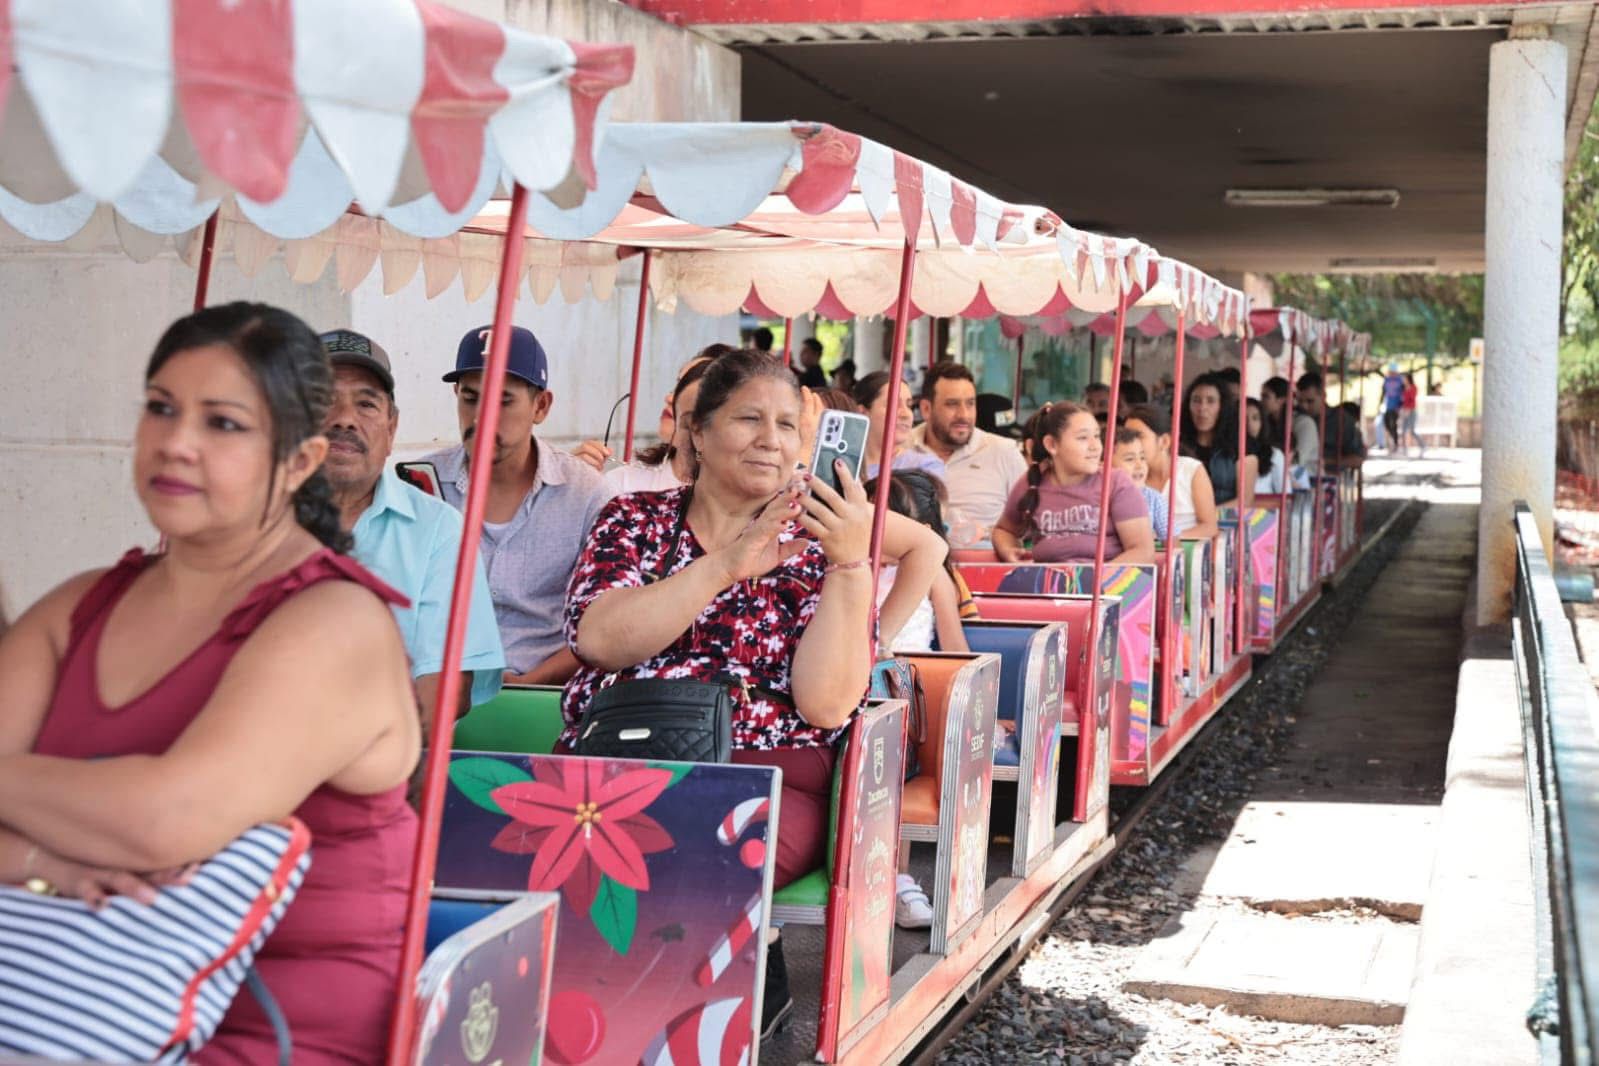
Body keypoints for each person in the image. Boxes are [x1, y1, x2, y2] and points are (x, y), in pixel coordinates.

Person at [0, 303, 420, 1063]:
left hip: (274, 1031)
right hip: (55, 996)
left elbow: (167, 820)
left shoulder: (335, 621)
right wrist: (39, 861)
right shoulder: (77, 606)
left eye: (222, 424)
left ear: (299, 461)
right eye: (161, 408)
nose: (175, 443)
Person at [561, 348, 945, 1037]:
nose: (772, 439)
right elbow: (601, 639)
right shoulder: (633, 519)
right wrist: (726, 564)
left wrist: (852, 569)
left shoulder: (820, 539)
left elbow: (827, 705)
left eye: (786, 424)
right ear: (695, 432)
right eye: (748, 419)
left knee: (683, 848)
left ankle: (674, 1024)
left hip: (765, 774)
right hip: (624, 756)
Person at [318, 329, 506, 730]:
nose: (345, 419)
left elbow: (445, 692)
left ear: (392, 427)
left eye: (366, 404)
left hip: (380, 771)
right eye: (323, 400)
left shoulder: (438, 530)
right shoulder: (247, 525)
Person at [426, 325, 614, 685]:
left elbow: (604, 625)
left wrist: (526, 685)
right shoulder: (423, 484)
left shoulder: (588, 495)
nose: (481, 417)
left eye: (503, 400)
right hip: (437, 694)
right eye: (470, 398)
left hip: (546, 700)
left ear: (541, 406)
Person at [993, 402, 1154, 565]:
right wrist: (1009, 551)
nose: (1095, 447)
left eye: (1097, 436)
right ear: (1052, 445)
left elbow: (1142, 551)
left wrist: (1091, 581)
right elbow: (1004, 530)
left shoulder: (1117, 482)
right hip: (1049, 585)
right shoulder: (1033, 481)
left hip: (1110, 585)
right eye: (1083, 438)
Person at [907, 362, 1028, 548]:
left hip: (986, 567)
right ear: (926, 409)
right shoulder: (901, 449)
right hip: (915, 567)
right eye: (952, 404)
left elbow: (1030, 526)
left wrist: (988, 534)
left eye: (970, 404)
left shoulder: (1004, 452)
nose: (963, 415)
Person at [569, 343, 734, 474]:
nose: (670, 398)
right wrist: (578, 484)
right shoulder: (625, 484)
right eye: (677, 385)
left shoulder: (743, 498)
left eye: (690, 391)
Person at [1122, 403, 1219, 540]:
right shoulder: (1124, 474)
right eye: (1126, 437)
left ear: (1165, 441)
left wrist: (1169, 540)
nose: (1131, 444)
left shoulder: (1191, 470)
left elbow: (1209, 527)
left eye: (1139, 436)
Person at [1180, 373, 1255, 508]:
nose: (1202, 408)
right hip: (1184, 522)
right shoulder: (1178, 445)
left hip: (1225, 523)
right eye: (1196, 400)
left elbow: (1244, 501)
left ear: (1222, 406)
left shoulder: (1243, 447)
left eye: (1211, 401)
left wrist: (1207, 518)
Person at [852, 370, 946, 480]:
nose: (906, 414)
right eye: (894, 404)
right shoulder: (842, 465)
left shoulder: (925, 467)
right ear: (862, 413)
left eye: (909, 405)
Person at [1297, 371, 1366, 470]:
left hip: (1329, 478)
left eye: (1310, 401)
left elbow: (1357, 458)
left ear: (1323, 396)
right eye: (1300, 401)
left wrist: (1323, 462)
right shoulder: (1294, 417)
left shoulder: (1342, 421)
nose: (1304, 406)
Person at [1112, 427, 1168, 541]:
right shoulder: (1096, 496)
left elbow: (1172, 543)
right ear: (1103, 465)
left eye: (1142, 458)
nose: (1139, 465)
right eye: (1130, 459)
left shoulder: (1153, 498)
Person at [1261, 375, 1319, 475]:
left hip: (1306, 478)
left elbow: (1298, 460)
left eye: (1266, 396)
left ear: (1281, 400)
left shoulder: (1304, 424)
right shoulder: (1267, 422)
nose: (1262, 401)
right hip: (1278, 475)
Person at [1246, 397, 1288, 495]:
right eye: (1243, 418)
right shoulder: (1225, 454)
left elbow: (1285, 497)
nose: (1249, 424)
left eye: (1255, 418)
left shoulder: (1274, 455)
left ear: (1262, 423)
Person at [1381, 365, 1405, 452]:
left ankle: (1396, 444)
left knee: (1393, 425)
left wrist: (1400, 406)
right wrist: (1380, 403)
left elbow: (1403, 394)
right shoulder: (1387, 380)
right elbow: (1383, 392)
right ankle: (1394, 441)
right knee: (1386, 424)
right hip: (1387, 406)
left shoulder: (1400, 380)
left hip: (1396, 407)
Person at [1400, 372, 1423, 456]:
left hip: (1412, 411)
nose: (1403, 380)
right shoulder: (1402, 388)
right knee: (1403, 430)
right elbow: (1402, 400)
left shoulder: (1414, 387)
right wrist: (1402, 409)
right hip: (1404, 411)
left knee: (1412, 430)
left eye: (1404, 378)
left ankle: (1422, 446)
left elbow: (1412, 400)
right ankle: (1404, 450)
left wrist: (1408, 410)